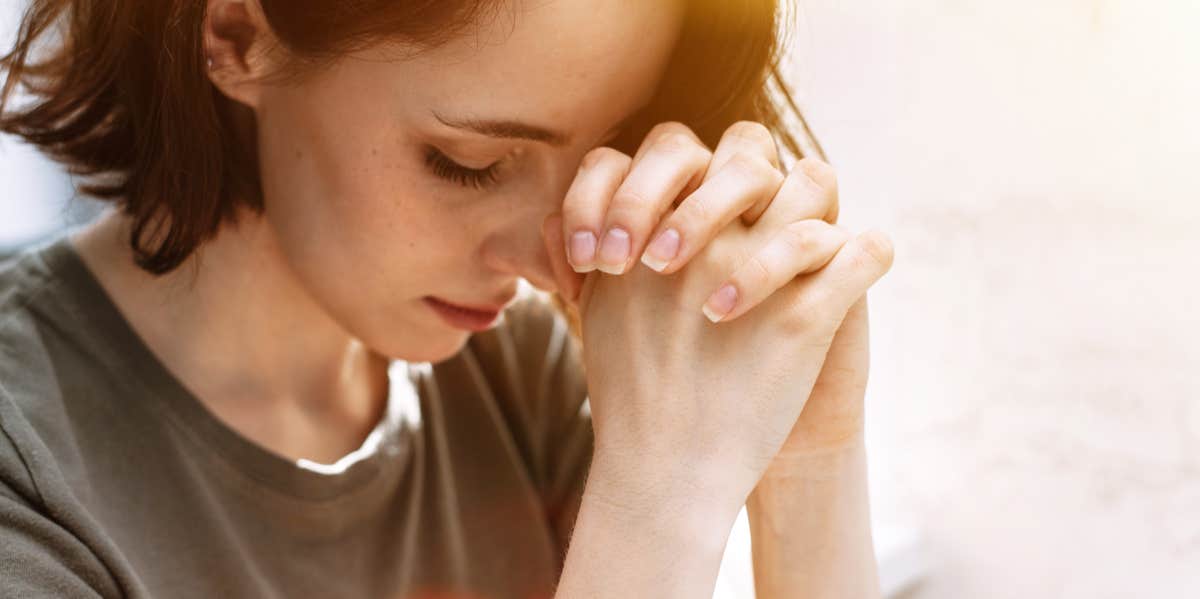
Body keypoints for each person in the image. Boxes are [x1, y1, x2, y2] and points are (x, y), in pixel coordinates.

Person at [0, 0, 894, 597]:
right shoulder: (29, 474)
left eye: (598, 155)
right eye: (469, 164)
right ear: (237, 34)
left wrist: (807, 461)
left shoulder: (521, 385)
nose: (551, 257)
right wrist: (658, 506)